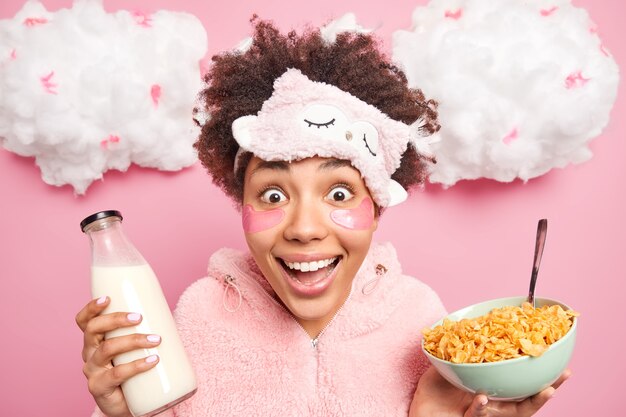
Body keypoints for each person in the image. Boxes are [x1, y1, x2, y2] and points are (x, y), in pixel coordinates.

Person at [75, 18, 570, 417]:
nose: (304, 228)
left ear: (376, 207)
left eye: (338, 192)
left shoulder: (422, 321)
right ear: (239, 204)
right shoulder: (200, 316)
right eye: (272, 195)